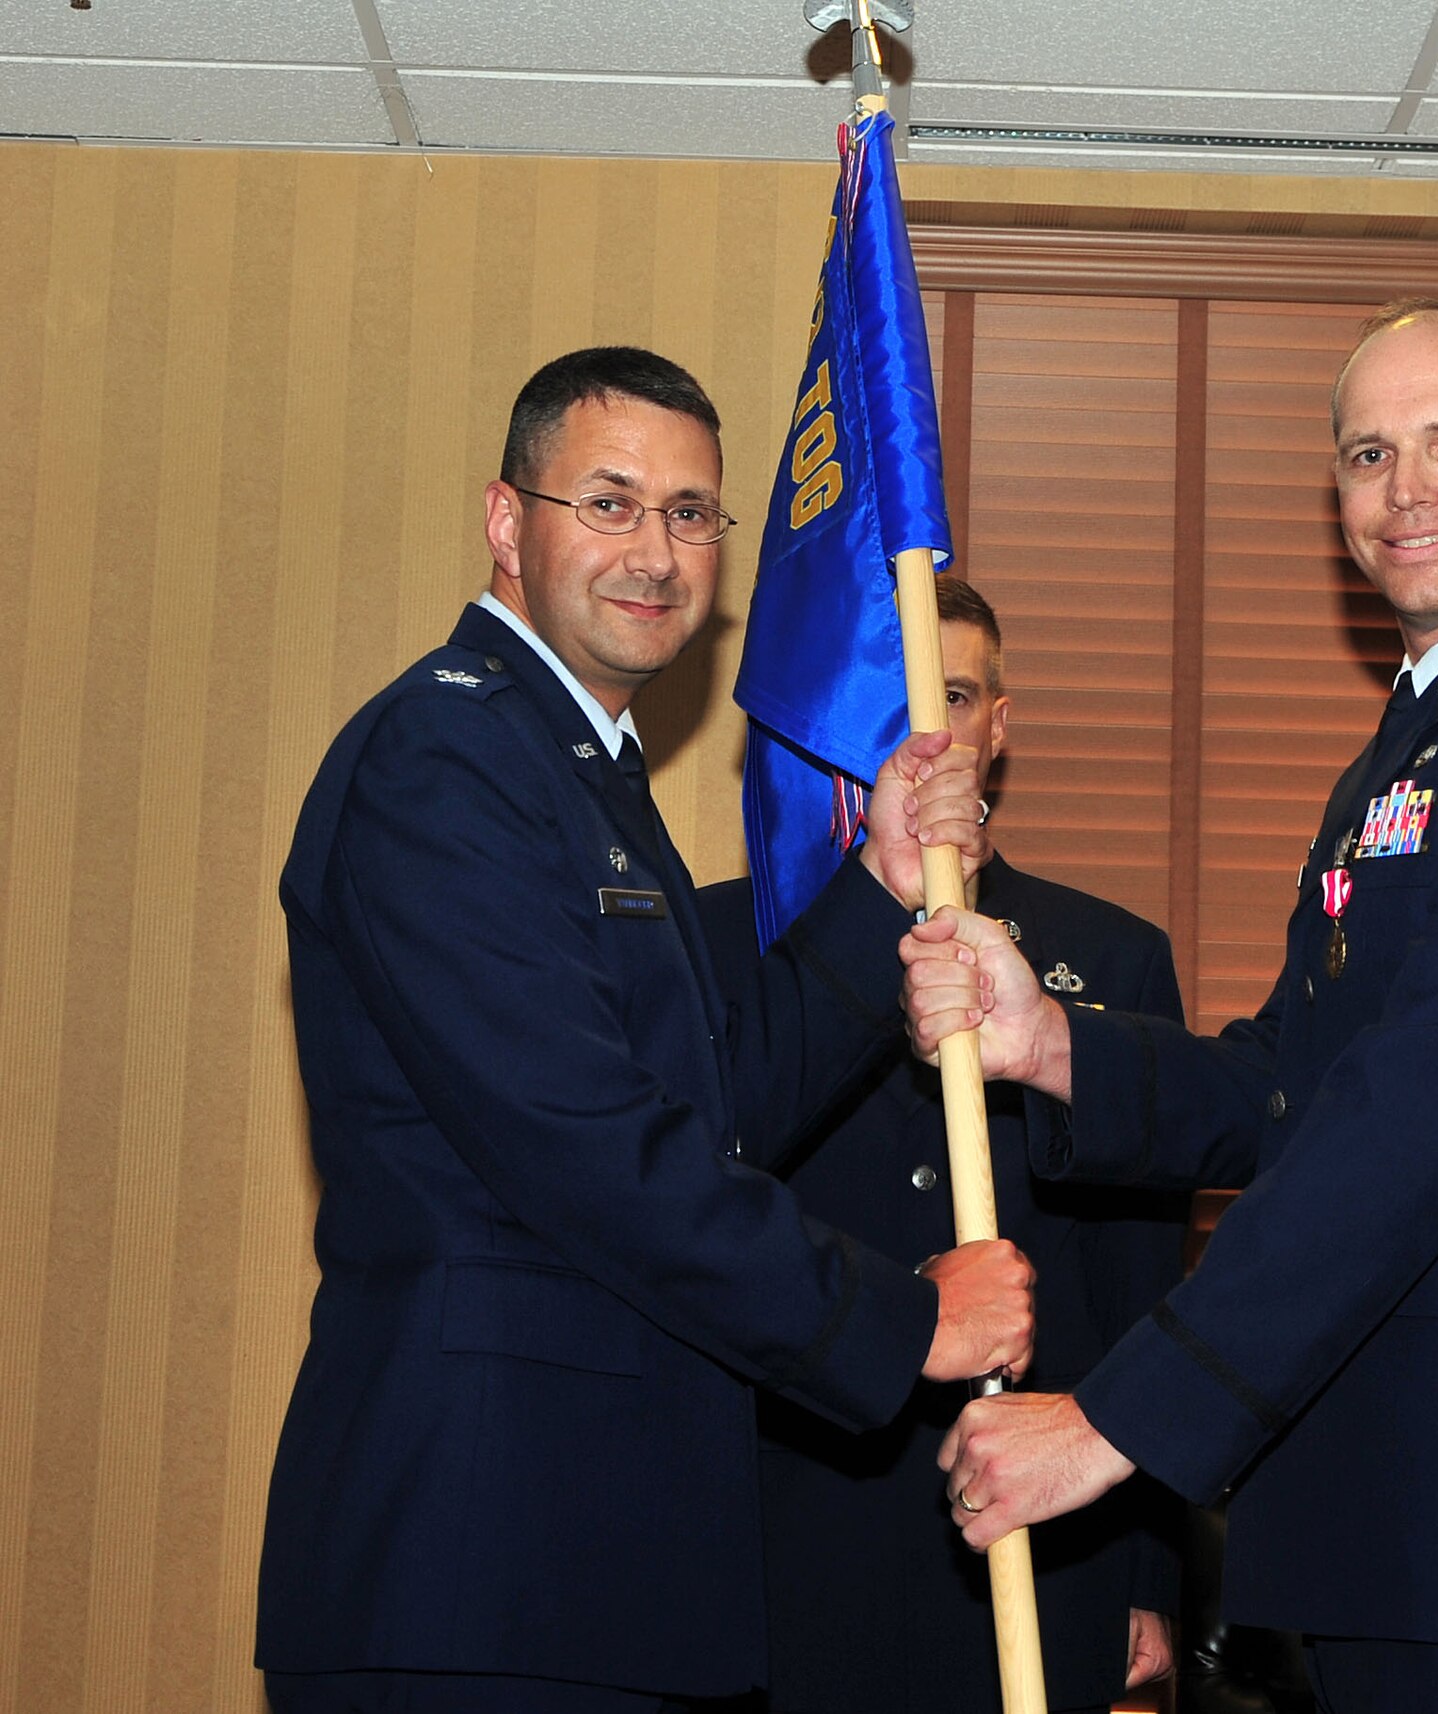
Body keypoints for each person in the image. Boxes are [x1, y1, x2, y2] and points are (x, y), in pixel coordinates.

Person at [906, 301, 1438, 1713]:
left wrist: (1122, 1418)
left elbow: (1424, 1108)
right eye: (1369, 453)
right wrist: (1050, 1043)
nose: (1405, 488)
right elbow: (1297, 1083)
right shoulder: (1417, 743)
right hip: (1407, 1503)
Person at [257, 347, 1036, 1714]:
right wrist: (900, 1318)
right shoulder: (445, 762)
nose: (657, 552)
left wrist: (875, 884)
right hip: (479, 1560)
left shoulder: (581, 776)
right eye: (609, 503)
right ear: (508, 522)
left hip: (595, 1569)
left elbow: (713, 1100)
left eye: (691, 514)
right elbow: (587, 1147)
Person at [700, 576, 1184, 1714]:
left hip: (1041, 1531)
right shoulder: (728, 949)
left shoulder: (1110, 960)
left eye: (953, 694)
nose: (924, 734)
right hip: (794, 1516)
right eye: (889, 706)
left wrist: (1149, 1572)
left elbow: (1141, 1285)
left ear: (997, 726)